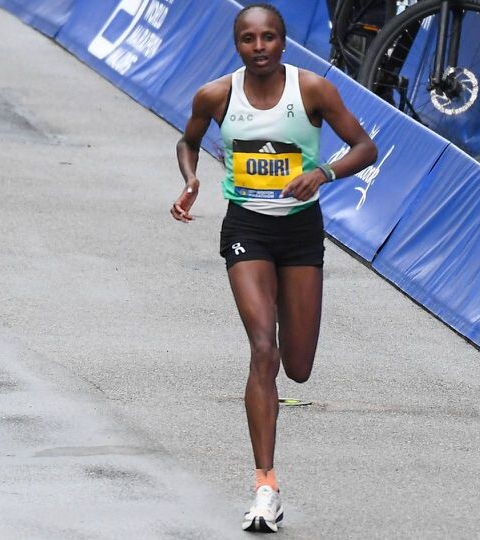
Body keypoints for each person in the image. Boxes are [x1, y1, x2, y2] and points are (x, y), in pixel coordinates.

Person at [170, 3, 377, 533]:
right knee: (264, 348)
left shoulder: (313, 90)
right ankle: (266, 486)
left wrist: (323, 173)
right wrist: (191, 180)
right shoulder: (216, 95)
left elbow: (365, 147)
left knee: (298, 367)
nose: (258, 47)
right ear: (236, 44)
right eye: (248, 39)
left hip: (301, 234)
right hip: (247, 230)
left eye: (268, 38)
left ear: (284, 42)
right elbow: (188, 141)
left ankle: (268, 476)